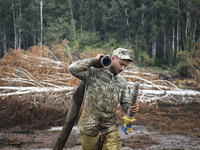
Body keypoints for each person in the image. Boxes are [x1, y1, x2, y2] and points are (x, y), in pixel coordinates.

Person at [68, 48, 139, 150]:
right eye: (121, 64)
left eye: (125, 66)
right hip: (89, 127)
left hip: (110, 128)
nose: (123, 69)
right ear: (113, 58)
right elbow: (73, 68)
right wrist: (94, 60)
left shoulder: (122, 83)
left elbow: (126, 105)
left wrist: (133, 107)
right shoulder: (93, 73)